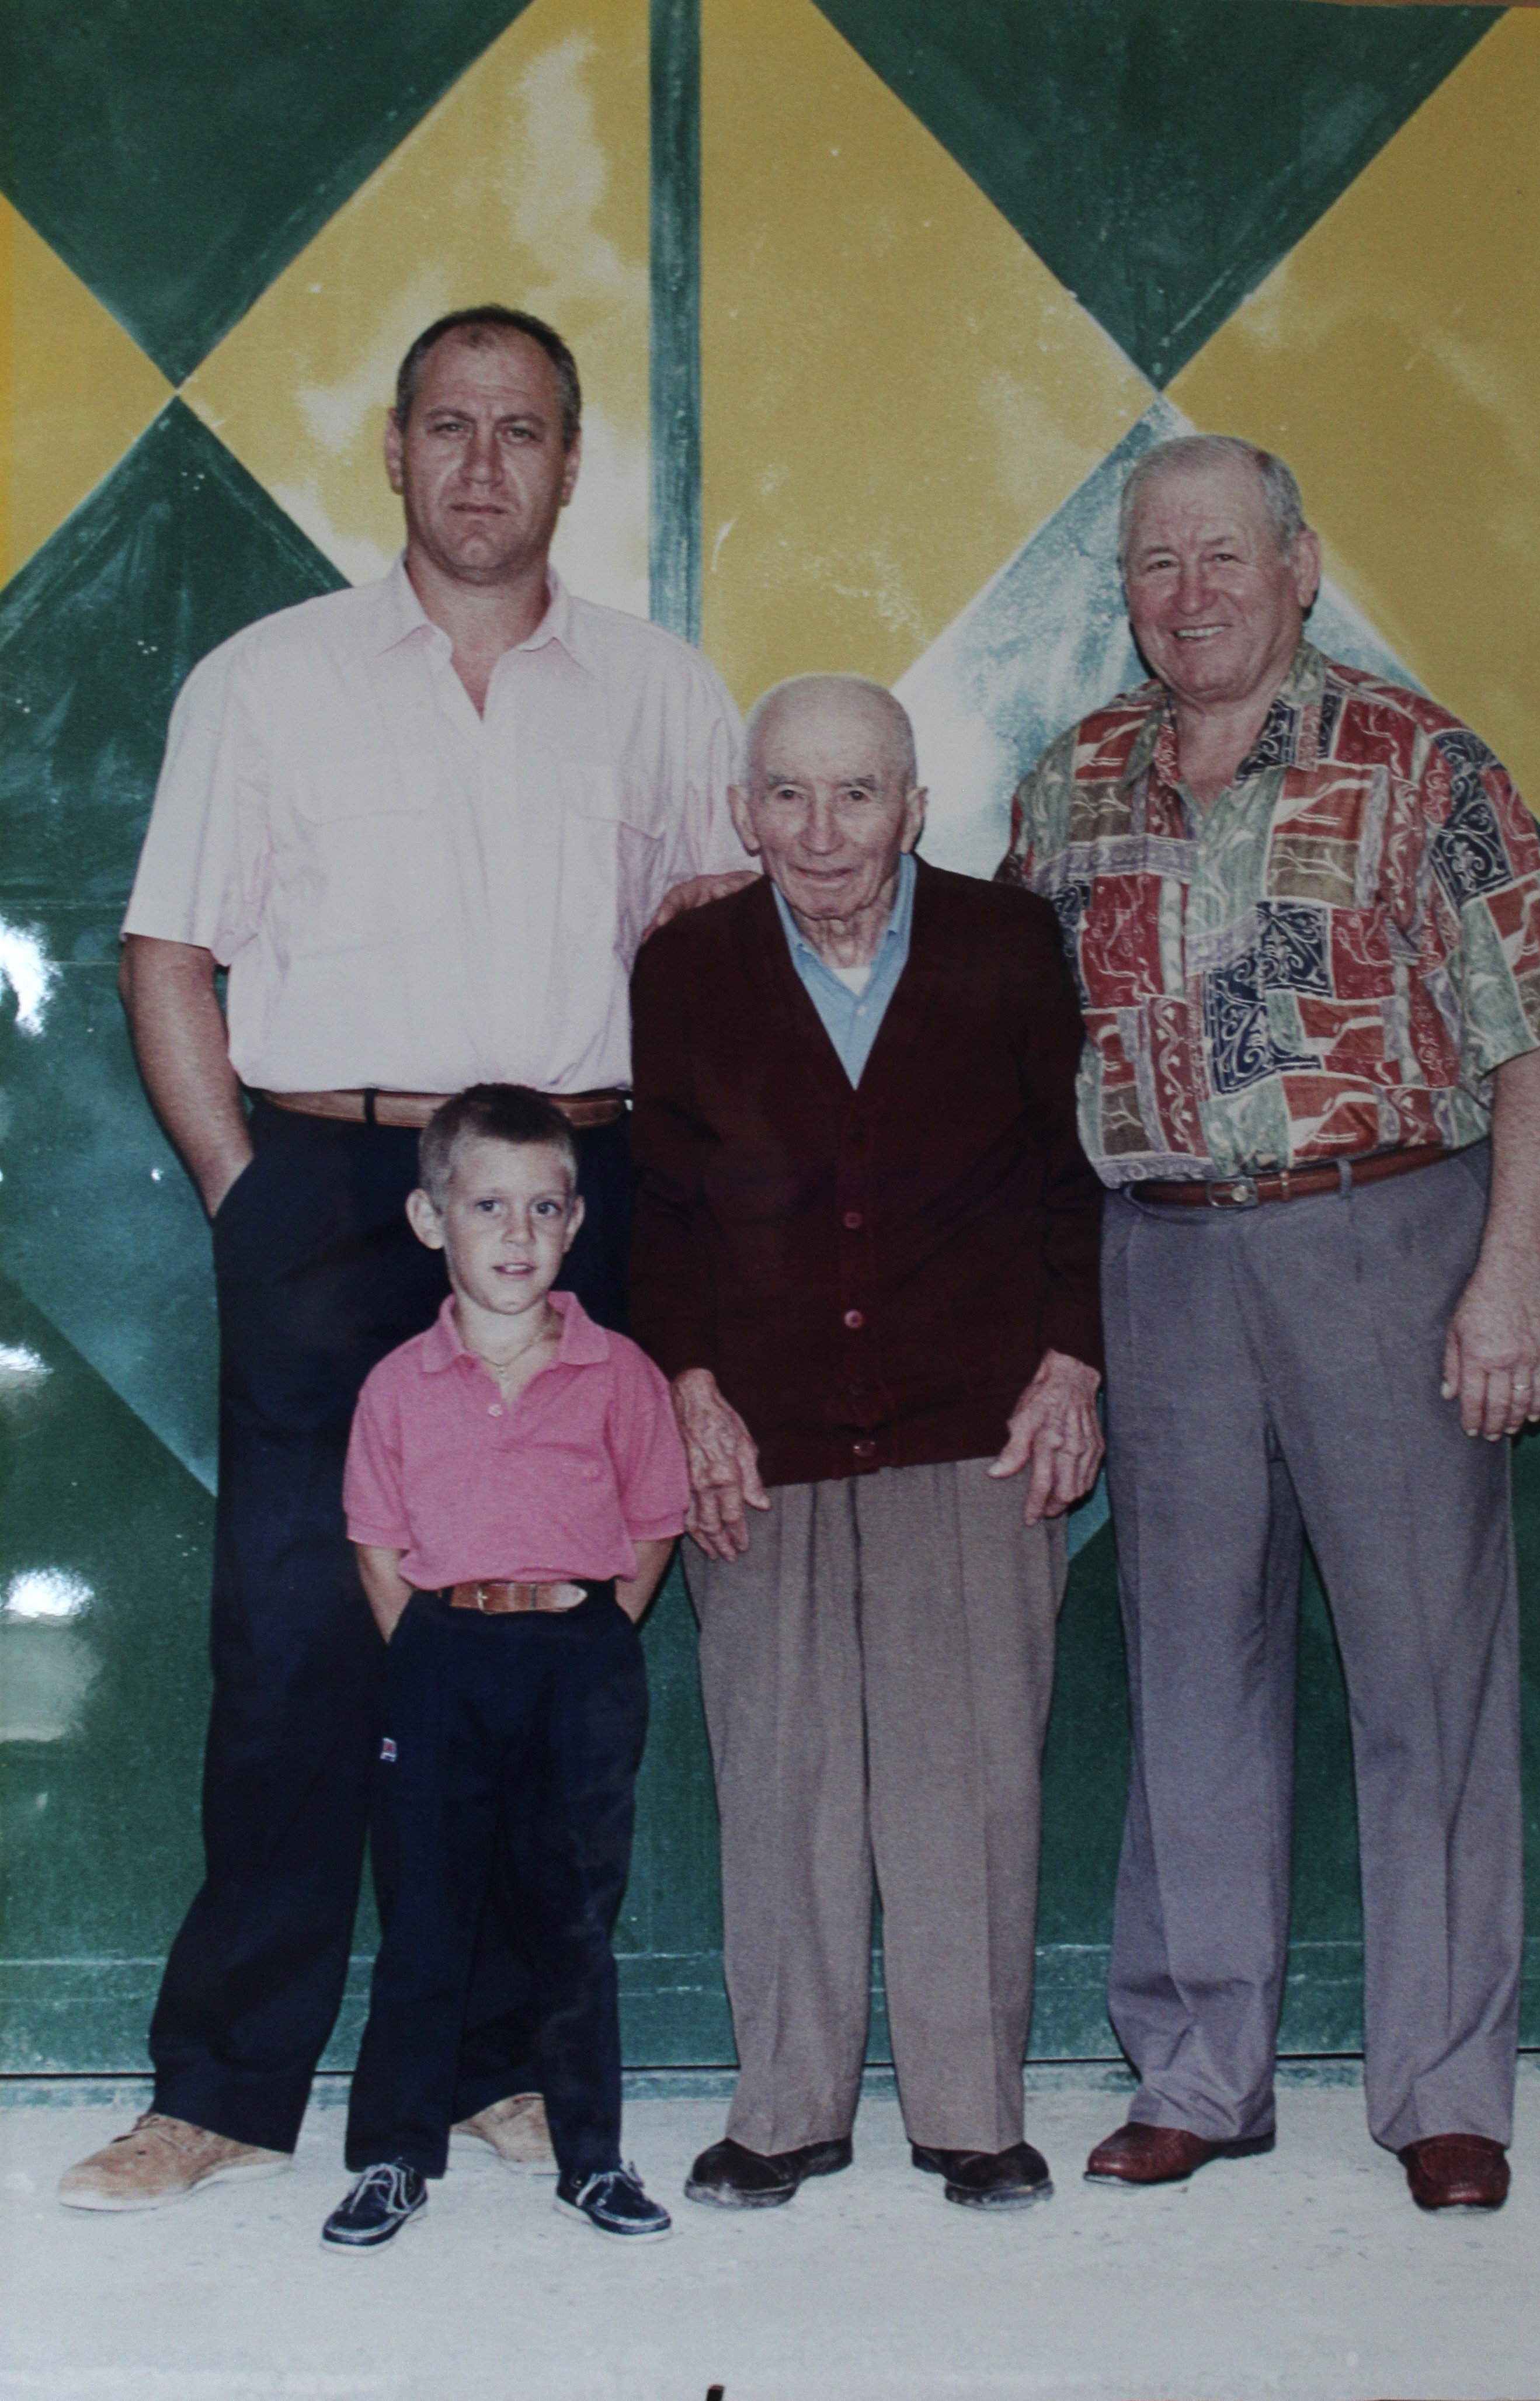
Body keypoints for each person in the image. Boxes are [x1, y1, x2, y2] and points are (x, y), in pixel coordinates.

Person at [61, 305, 750, 2213]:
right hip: (333, 1188)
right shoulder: (265, 681)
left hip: (576, 1195)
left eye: (517, 430)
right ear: (392, 450)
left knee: (544, 1654)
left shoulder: (661, 694)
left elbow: (704, 976)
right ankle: (215, 2087)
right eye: (445, 426)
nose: (477, 464)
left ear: (565, 462)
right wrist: (247, 1197)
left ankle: (505, 2070)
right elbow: (167, 956)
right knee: (295, 1646)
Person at [999, 433, 1540, 2214]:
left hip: (1386, 1237)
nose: (1183, 596)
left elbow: (1539, 1029)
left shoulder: (1421, 763)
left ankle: (1439, 2093)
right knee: (1190, 1666)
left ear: (1296, 565)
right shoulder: (1069, 786)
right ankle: (1198, 2071)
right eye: (1149, 566)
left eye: (1216, 559)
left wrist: (1504, 1276)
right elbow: (993, 1037)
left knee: (1423, 1675)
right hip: (1160, 1255)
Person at [630, 674, 1106, 2214]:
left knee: (963, 1779)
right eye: (785, 793)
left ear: (915, 808)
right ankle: (784, 2111)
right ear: (739, 812)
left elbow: (1068, 1180)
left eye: (854, 795)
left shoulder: (1003, 944)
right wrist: (688, 1389)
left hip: (969, 1426)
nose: (820, 831)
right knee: (778, 1769)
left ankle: (971, 2115)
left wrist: (1070, 1365)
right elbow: (665, 1203)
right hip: (756, 1431)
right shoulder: (689, 963)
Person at [321, 1086, 686, 2251]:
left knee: (573, 1923)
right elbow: (376, 1545)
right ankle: (391, 2157)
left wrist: (588, 1638)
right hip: (443, 1658)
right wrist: (439, 1648)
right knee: (425, 1920)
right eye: (488, 1205)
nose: (518, 1234)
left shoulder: (621, 1373)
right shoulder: (396, 1386)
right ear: (432, 1220)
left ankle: (592, 2159)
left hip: (579, 1657)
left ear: (577, 1223)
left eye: (544, 1207)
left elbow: (654, 1524)